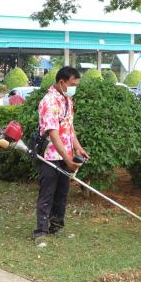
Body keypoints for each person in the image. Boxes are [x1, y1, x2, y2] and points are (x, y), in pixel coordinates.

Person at [34, 66, 89, 245]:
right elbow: (53, 133)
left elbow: (69, 128)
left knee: (62, 193)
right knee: (47, 194)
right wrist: (67, 159)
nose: (75, 88)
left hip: (66, 154)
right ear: (61, 82)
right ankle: (40, 232)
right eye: (73, 84)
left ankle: (56, 227)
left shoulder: (67, 100)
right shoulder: (49, 101)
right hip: (49, 156)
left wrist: (78, 149)